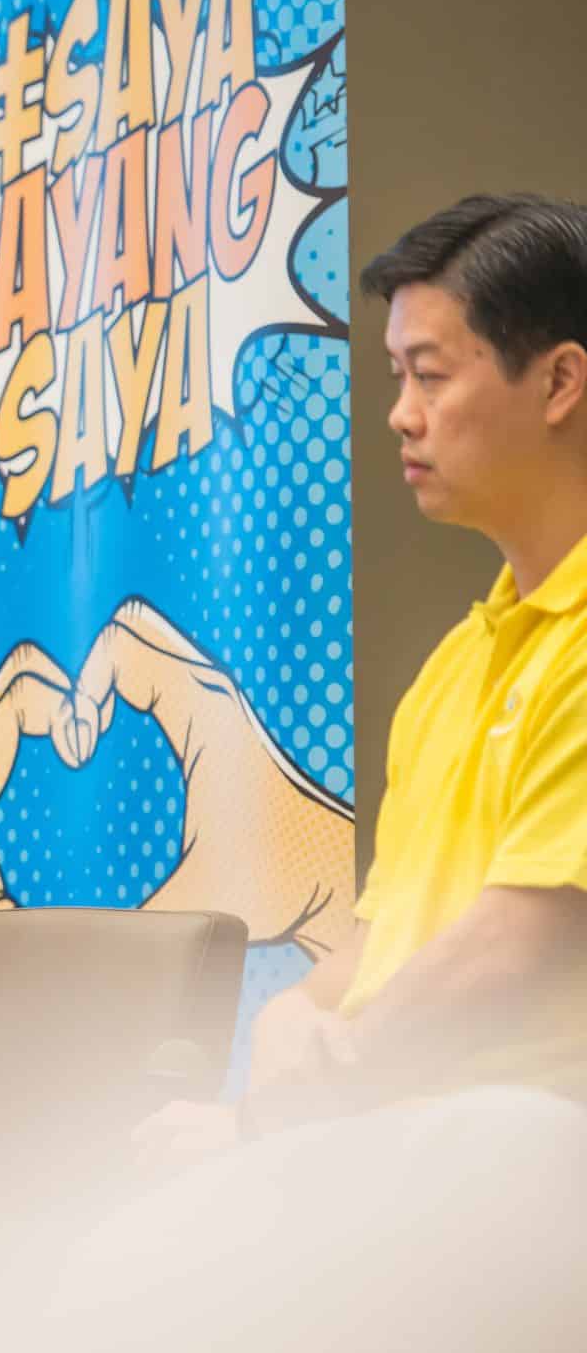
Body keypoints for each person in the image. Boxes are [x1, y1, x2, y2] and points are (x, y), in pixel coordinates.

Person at [138, 193, 587, 1163]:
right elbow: (387, 932)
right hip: (404, 1132)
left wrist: (286, 1112)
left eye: (427, 375)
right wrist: (295, 1011)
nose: (398, 413)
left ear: (558, 381)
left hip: (533, 1134)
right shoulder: (455, 665)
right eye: (396, 375)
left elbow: (516, 946)